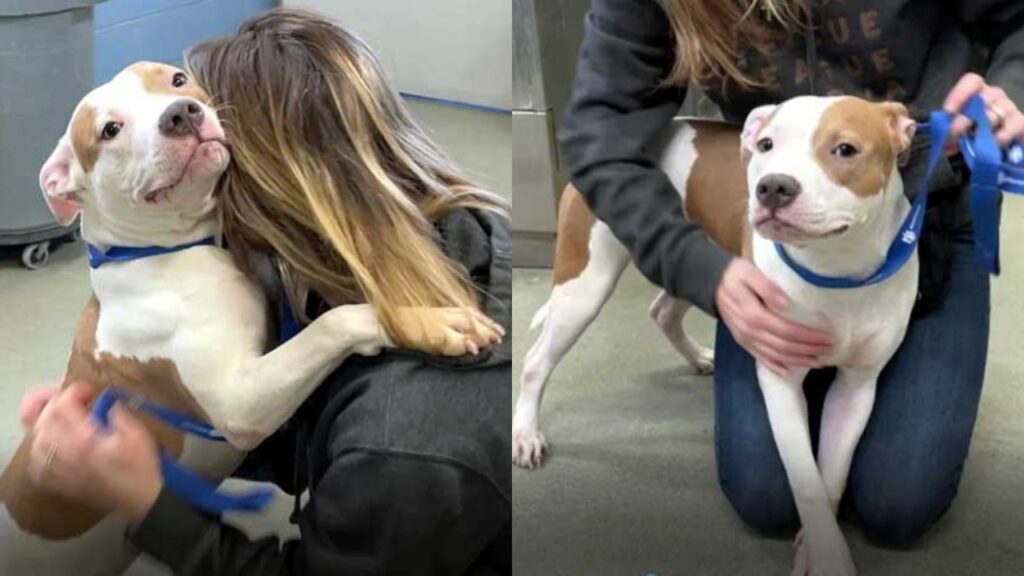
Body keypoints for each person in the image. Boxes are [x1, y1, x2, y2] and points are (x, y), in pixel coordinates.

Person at [20, 9, 511, 575]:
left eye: (182, 89)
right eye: (115, 128)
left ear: (265, 185)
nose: (180, 113)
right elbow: (263, 407)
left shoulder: (401, 445)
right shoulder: (470, 226)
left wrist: (153, 505)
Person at [559, 0, 1024, 546]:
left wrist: (1011, 86)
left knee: (898, 504)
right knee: (767, 499)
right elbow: (599, 134)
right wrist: (703, 269)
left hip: (927, 206)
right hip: (775, 241)